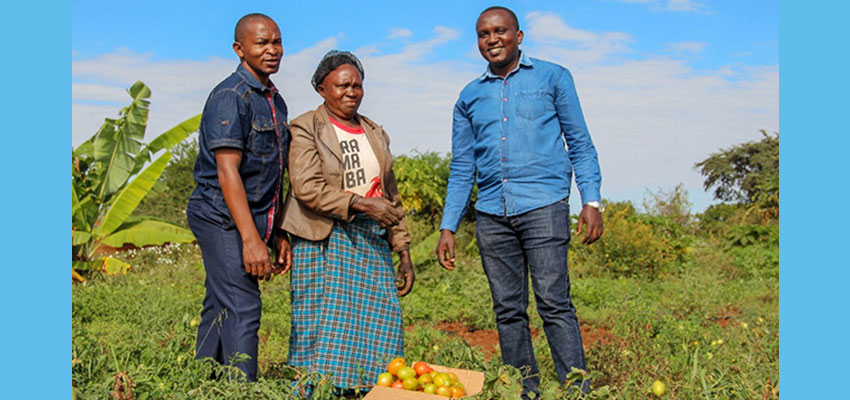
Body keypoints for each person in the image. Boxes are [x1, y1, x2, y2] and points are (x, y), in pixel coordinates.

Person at [435, 6, 605, 397]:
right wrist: (449, 225)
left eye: (500, 31)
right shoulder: (469, 97)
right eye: (483, 34)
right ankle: (524, 391)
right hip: (492, 213)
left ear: (519, 36)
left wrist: (591, 201)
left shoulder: (553, 77)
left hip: (543, 204)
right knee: (508, 311)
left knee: (553, 302)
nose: (492, 39)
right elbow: (463, 166)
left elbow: (580, 143)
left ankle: (576, 390)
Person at [279, 50, 415, 392]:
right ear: (322, 89)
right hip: (324, 237)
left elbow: (390, 196)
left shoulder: (374, 132)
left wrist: (403, 249)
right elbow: (307, 187)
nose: (350, 92)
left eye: (356, 85)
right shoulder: (306, 127)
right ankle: (317, 389)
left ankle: (368, 389)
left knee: (380, 319)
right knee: (322, 322)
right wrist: (362, 205)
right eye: (341, 85)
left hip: (370, 238)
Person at [186, 13, 292, 381]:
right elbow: (227, 172)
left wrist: (277, 231)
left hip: (251, 216)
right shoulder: (230, 96)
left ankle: (203, 382)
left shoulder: (275, 102)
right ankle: (242, 389)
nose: (272, 50)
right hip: (219, 215)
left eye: (277, 42)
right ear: (239, 49)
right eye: (262, 43)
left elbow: (273, 176)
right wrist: (251, 240)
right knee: (243, 304)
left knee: (220, 303)